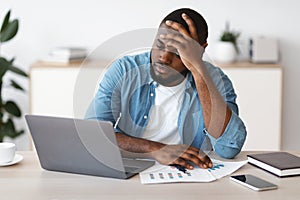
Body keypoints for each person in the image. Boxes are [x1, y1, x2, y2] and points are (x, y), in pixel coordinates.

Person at [85, 8, 246, 170]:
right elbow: (93, 136)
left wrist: (198, 70)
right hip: (135, 169)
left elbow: (228, 148)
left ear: (200, 50)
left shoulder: (217, 80)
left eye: (177, 52)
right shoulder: (124, 70)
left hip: (192, 173)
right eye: (160, 45)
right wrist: (154, 149)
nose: (164, 57)